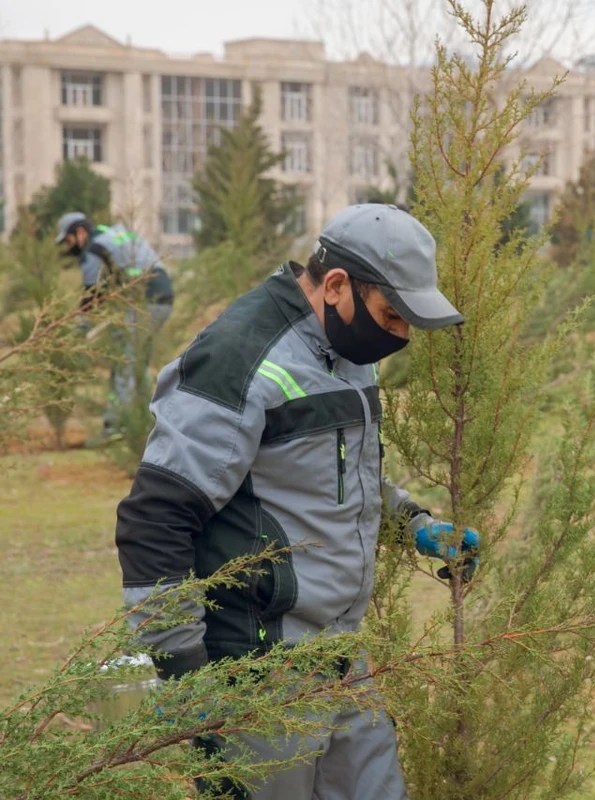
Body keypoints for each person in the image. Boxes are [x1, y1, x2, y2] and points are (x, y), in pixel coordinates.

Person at [114, 203, 478, 799]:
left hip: (340, 654)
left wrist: (413, 522)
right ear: (337, 286)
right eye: (391, 315)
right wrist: (184, 674)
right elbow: (155, 518)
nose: (400, 337)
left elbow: (334, 473)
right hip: (256, 669)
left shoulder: (347, 352)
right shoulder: (241, 358)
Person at [55, 212, 176, 440]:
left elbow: (91, 294)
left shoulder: (93, 248)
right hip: (163, 297)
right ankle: (145, 424)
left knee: (124, 364)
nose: (70, 247)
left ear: (80, 232)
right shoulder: (113, 234)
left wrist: (78, 329)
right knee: (138, 363)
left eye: (69, 240)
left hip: (145, 300)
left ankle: (116, 427)